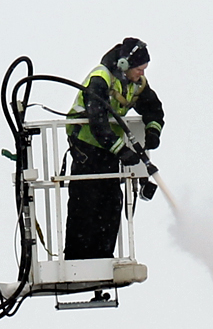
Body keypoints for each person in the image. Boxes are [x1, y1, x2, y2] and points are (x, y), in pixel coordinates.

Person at [65, 37, 163, 261]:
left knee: (111, 204)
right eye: (139, 69)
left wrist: (153, 131)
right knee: (85, 202)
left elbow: (153, 108)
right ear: (124, 65)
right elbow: (97, 119)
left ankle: (102, 256)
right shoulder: (101, 78)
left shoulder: (136, 83)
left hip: (109, 151)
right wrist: (120, 149)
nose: (142, 74)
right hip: (86, 149)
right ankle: (77, 258)